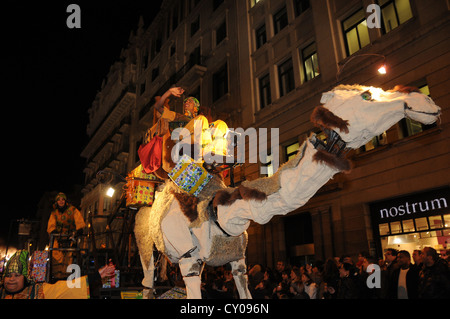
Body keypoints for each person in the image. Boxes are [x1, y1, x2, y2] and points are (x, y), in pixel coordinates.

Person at [152, 87, 229, 161]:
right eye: (185, 102)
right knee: (201, 119)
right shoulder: (177, 116)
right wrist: (169, 92)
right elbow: (157, 106)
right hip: (182, 139)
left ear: (196, 107)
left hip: (196, 138)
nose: (186, 102)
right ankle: (204, 150)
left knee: (220, 123)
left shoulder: (202, 122)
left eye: (190, 101)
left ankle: (219, 152)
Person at [1, 250, 115, 299]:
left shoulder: (38, 292)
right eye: (8, 275)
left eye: (16, 275)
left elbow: (67, 288)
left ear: (25, 278)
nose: (11, 279)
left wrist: (96, 276)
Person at [47, 192, 86, 281]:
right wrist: (56, 233)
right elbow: (50, 226)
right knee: (56, 257)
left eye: (63, 199)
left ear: (65, 201)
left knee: (69, 258)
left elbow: (80, 223)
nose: (61, 201)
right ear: (56, 202)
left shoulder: (73, 210)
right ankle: (56, 278)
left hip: (70, 239)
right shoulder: (54, 213)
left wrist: (77, 231)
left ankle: (67, 277)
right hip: (57, 239)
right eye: (59, 200)